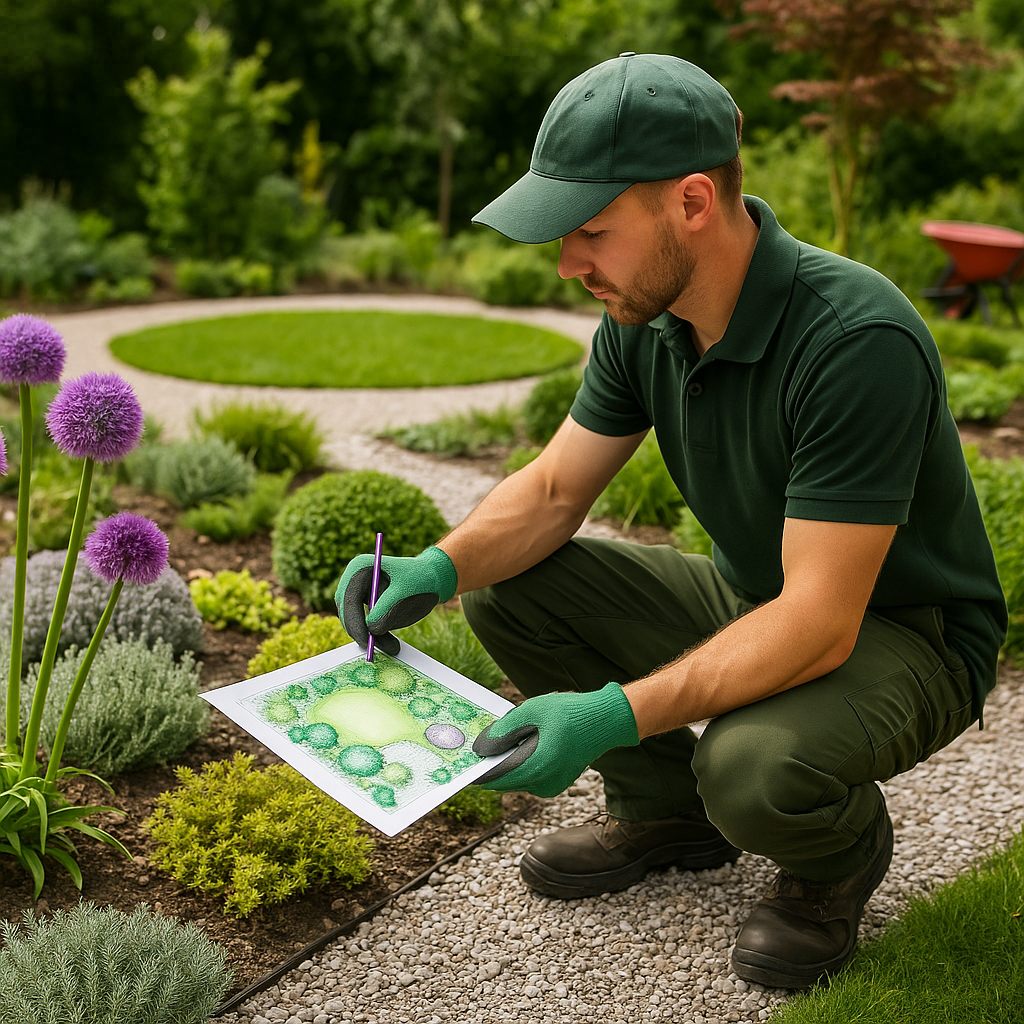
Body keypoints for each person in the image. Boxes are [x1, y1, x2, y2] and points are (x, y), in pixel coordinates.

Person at [338, 52, 1007, 990]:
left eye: (592, 231)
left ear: (692, 201)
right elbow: (551, 494)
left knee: (750, 770)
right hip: (756, 592)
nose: (570, 264)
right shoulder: (643, 318)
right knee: (509, 589)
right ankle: (663, 812)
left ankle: (835, 858)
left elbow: (820, 620)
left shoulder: (857, 341)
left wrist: (610, 713)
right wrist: (436, 569)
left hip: (906, 633)